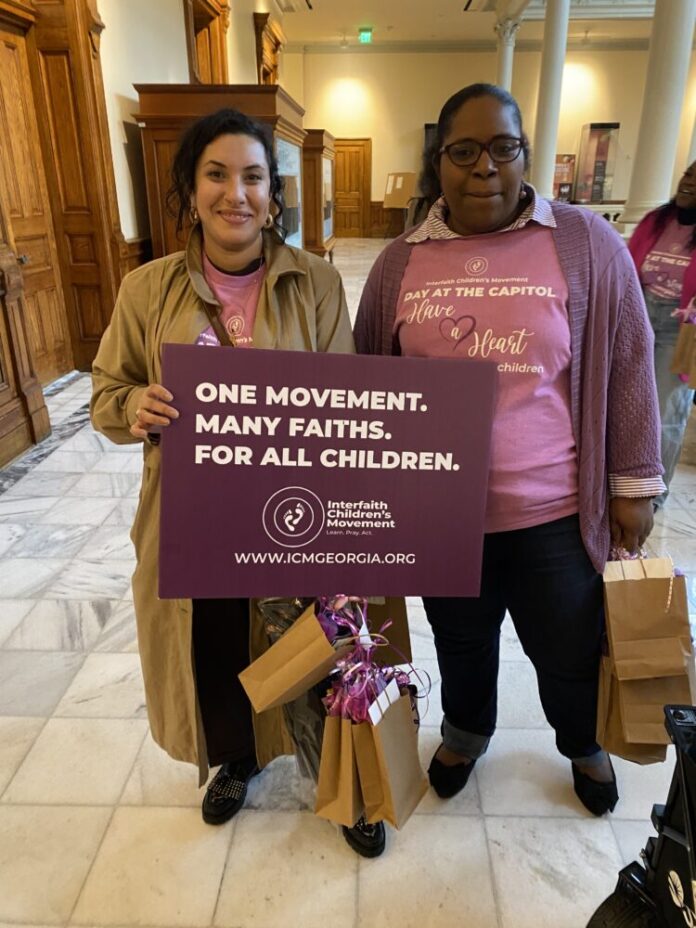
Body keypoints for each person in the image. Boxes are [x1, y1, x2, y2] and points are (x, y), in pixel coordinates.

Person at [354, 83, 665, 816]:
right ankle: (465, 730)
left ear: (526, 155)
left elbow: (628, 361)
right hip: (442, 513)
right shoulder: (400, 264)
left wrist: (632, 485)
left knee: (566, 642)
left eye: (504, 148)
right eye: (464, 151)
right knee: (461, 638)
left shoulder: (585, 243)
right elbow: (367, 378)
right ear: (439, 162)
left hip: (552, 508)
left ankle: (580, 742)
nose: (485, 167)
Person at [90, 108, 384, 858]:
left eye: (252, 175)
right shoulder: (145, 290)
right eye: (216, 174)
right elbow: (103, 395)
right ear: (191, 192)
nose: (236, 193)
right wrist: (134, 405)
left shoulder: (314, 282)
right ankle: (236, 759)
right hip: (197, 516)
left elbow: (348, 397)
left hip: (299, 510)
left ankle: (346, 783)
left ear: (273, 193)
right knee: (216, 646)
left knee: (319, 647)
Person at [628, 165, 696, 502]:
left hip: (680, 329)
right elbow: (626, 265)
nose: (689, 183)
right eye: (688, 175)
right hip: (639, 316)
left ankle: (654, 494)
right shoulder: (656, 221)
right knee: (629, 403)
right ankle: (626, 484)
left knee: (666, 413)